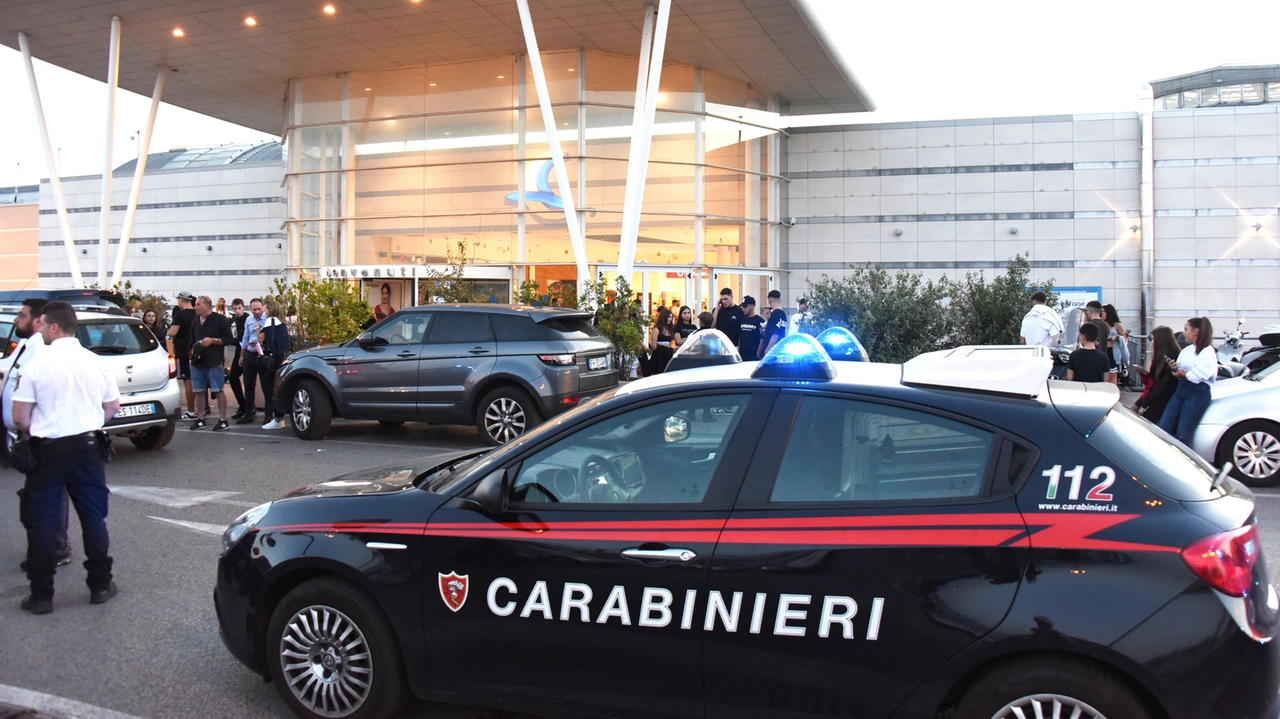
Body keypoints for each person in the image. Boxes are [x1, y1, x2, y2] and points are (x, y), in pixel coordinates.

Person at [10, 301, 121, 614]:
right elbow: (112, 405)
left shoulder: (36, 365)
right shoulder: (96, 362)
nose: (40, 329)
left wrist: (37, 429)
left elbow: (20, 416)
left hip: (48, 450)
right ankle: (100, 585)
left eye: (43, 325)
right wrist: (90, 420)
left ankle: (42, 595)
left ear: (54, 327)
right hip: (88, 448)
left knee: (42, 522)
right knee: (94, 518)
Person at [2, 299, 71, 571]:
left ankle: (54, 547)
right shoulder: (27, 345)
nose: (16, 320)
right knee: (36, 495)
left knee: (49, 494)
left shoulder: (40, 351)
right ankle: (44, 547)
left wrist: (28, 429)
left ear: (38, 320)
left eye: (22, 315)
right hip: (27, 432)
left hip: (41, 434)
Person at [1159, 317, 1217, 446]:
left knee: (1184, 432)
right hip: (1182, 389)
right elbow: (1182, 371)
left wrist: (1182, 373)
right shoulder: (1187, 350)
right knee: (1163, 427)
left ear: (1195, 331)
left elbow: (1197, 376)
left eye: (1186, 329)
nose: (1184, 333)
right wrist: (1176, 369)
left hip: (1197, 391)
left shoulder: (1207, 352)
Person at [188, 296, 236, 431]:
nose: (195, 307)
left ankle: (223, 419)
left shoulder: (220, 320)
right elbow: (191, 338)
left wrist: (213, 341)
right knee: (198, 391)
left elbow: (228, 339)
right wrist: (191, 351)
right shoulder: (195, 320)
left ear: (207, 306)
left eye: (198, 305)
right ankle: (200, 418)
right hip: (197, 362)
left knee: (218, 390)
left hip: (214, 361)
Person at [1134, 326, 1181, 424]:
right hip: (1154, 394)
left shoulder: (1172, 356)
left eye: (1153, 339)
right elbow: (1153, 381)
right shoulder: (1158, 357)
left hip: (1165, 397)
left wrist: (1146, 402)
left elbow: (1164, 384)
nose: (1152, 343)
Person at [259, 299, 291, 430]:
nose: (264, 312)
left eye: (265, 309)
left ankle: (277, 418)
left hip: (272, 360)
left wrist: (257, 330)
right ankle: (278, 417)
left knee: (271, 388)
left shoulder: (269, 322)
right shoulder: (282, 324)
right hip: (281, 358)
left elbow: (260, 339)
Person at [167, 294, 198, 419]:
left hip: (183, 350)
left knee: (188, 380)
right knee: (197, 379)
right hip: (196, 349)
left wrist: (169, 332)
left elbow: (173, 332)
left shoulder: (180, 315)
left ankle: (191, 411)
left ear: (181, 300)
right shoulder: (197, 313)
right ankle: (202, 408)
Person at [237, 298, 267, 425]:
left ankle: (269, 413)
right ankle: (249, 412)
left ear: (263, 308)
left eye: (259, 309)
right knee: (249, 385)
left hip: (262, 354)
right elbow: (245, 337)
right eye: (254, 309)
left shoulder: (266, 319)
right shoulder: (249, 320)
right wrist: (242, 356)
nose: (257, 312)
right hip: (250, 353)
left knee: (266, 385)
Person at [227, 299, 249, 420]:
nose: (237, 311)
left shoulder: (246, 319)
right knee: (233, 378)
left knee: (247, 380)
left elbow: (243, 337)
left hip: (246, 351)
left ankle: (247, 407)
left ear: (243, 308)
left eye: (239, 308)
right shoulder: (235, 320)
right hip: (238, 351)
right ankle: (243, 404)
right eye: (235, 309)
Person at [1103, 304, 1131, 382]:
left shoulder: (1116, 325)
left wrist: (1117, 338)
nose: (1102, 313)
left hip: (1113, 350)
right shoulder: (1102, 323)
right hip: (1103, 349)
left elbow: (1124, 337)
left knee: (1112, 373)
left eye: (1104, 311)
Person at [646, 307, 678, 375]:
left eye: (671, 317)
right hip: (658, 357)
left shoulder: (670, 330)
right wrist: (665, 346)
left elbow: (670, 343)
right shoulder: (656, 329)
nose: (670, 319)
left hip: (667, 356)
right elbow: (653, 346)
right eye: (669, 317)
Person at [760, 290, 789, 356]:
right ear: (780, 300)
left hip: (773, 351)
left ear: (769, 300)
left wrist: (767, 350)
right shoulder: (783, 314)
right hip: (780, 348)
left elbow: (775, 334)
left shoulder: (775, 314)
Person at [737, 296, 765, 361]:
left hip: (753, 355)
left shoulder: (760, 321)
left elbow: (762, 339)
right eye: (742, 307)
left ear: (752, 306)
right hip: (742, 355)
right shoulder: (742, 319)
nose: (743, 309)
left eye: (745, 307)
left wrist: (758, 353)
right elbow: (740, 336)